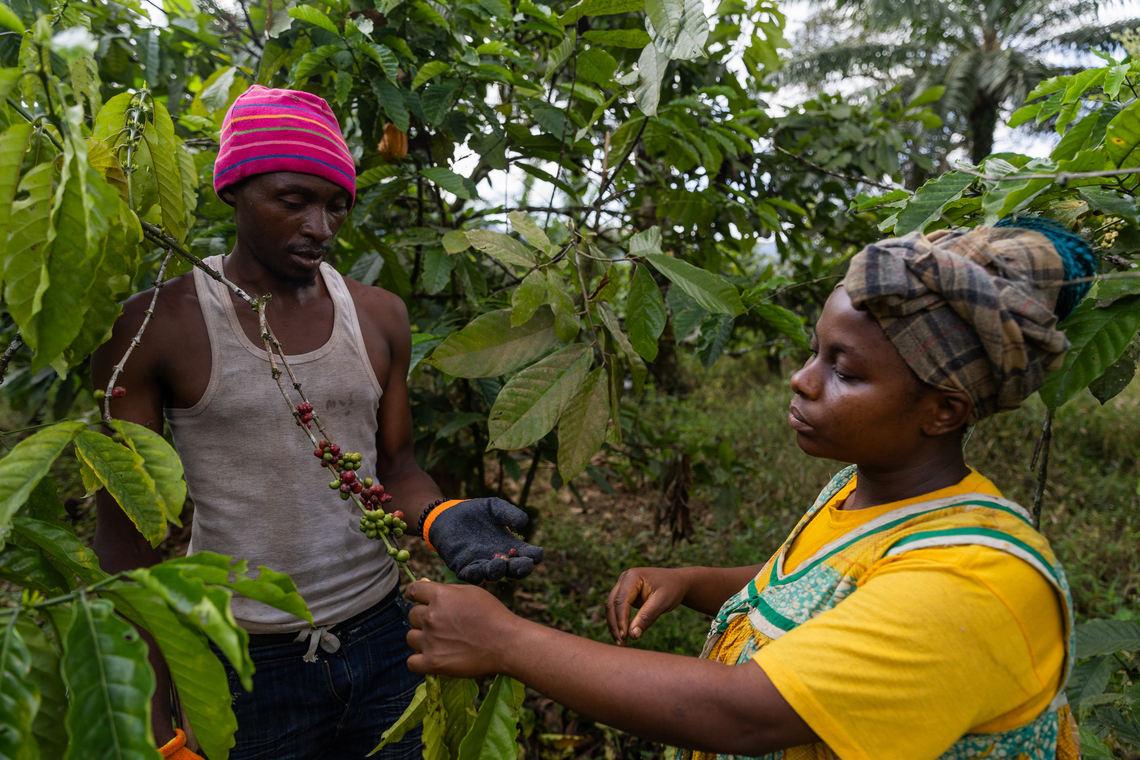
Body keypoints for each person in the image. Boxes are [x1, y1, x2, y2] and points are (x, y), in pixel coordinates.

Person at [400, 219, 1097, 760]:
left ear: (943, 410)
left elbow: (746, 712)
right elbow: (829, 587)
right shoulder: (865, 491)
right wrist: (696, 579)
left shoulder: (977, 580)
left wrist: (507, 642)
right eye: (814, 351)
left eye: (844, 371)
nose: (802, 379)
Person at [90, 85, 543, 760]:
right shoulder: (159, 323)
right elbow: (123, 534)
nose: (320, 228)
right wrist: (156, 720)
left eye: (335, 206)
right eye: (293, 201)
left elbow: (396, 468)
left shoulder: (379, 314)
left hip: (389, 638)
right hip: (245, 661)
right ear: (235, 191)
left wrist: (439, 515)